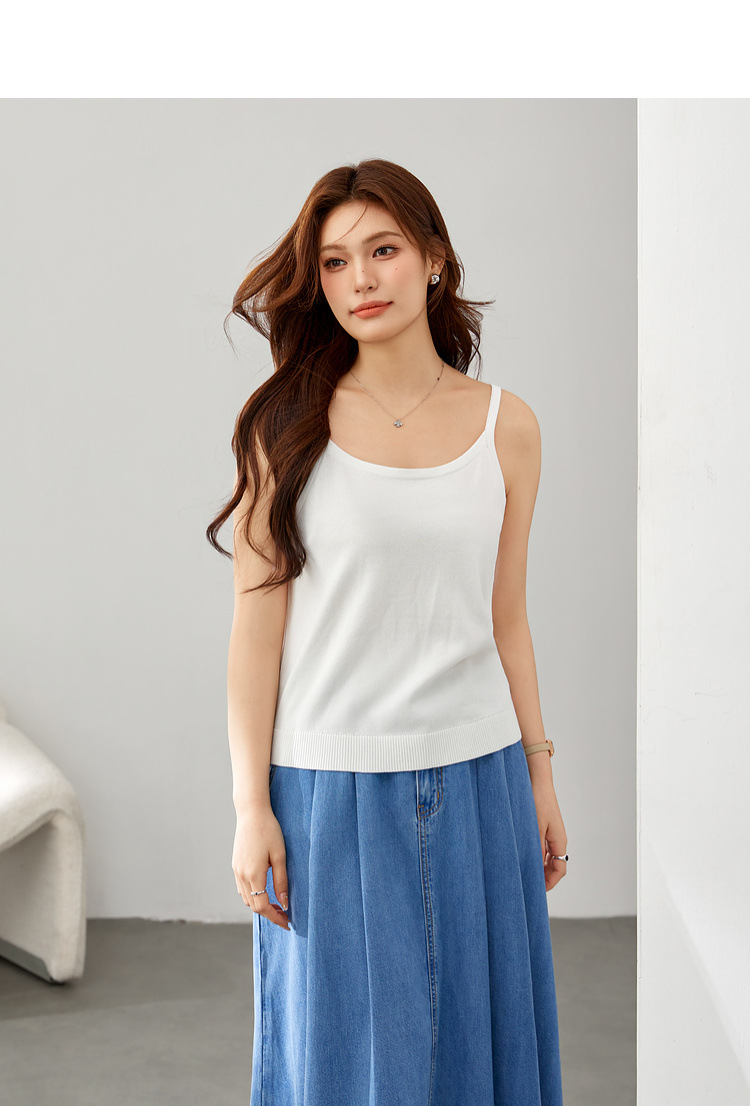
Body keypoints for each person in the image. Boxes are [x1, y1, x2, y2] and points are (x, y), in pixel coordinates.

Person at [206, 158, 568, 1105]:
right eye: (334, 262)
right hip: (328, 793)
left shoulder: (508, 428)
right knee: (339, 1066)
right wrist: (251, 807)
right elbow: (256, 635)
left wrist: (539, 775)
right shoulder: (287, 427)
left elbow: (506, 616)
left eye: (383, 250)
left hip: (482, 780)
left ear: (434, 259)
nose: (360, 279)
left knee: (480, 1060)